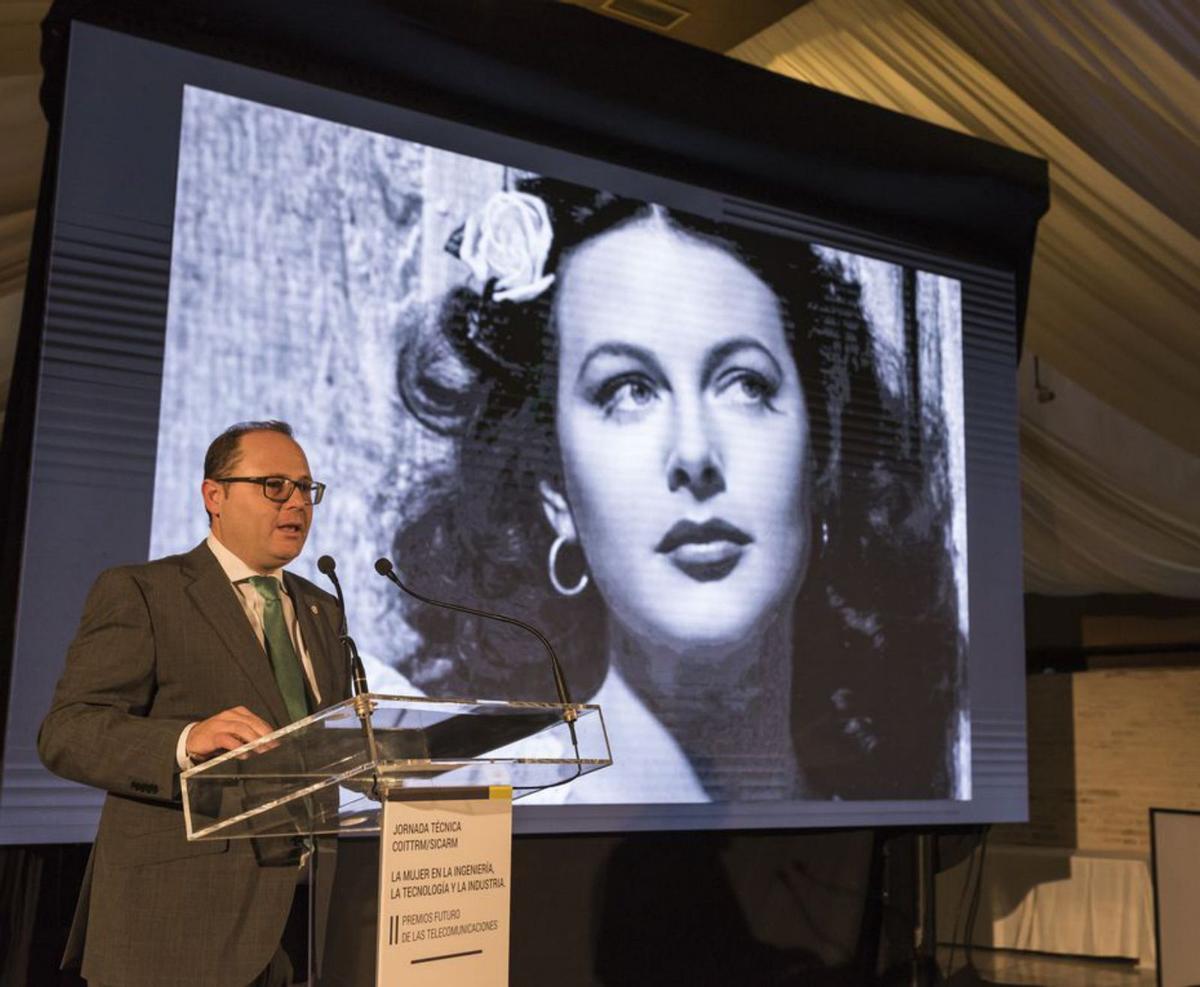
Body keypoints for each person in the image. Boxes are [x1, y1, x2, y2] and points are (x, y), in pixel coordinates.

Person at [393, 177, 965, 803]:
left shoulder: (885, 829)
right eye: (628, 391)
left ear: (821, 454)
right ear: (554, 485)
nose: (694, 454)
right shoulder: (459, 810)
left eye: (745, 383)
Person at [38, 421, 348, 987]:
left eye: (306, 488)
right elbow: (67, 732)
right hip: (176, 920)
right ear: (215, 496)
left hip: (302, 918)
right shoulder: (144, 591)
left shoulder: (322, 609)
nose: (297, 503)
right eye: (274, 486)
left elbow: (329, 740)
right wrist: (184, 740)